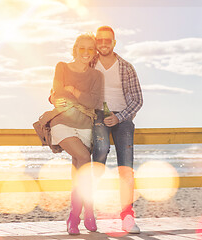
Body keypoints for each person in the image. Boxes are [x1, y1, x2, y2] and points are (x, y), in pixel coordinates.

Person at [49, 33, 104, 235]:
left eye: (90, 49)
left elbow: (93, 103)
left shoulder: (97, 76)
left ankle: (78, 215)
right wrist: (69, 95)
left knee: (79, 172)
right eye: (82, 48)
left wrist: (71, 89)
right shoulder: (61, 67)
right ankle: (82, 212)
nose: (86, 52)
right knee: (83, 157)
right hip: (62, 122)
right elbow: (57, 92)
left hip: (85, 126)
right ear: (75, 49)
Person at [91, 26, 143, 234]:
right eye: (100, 40)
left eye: (108, 40)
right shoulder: (90, 64)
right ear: (96, 42)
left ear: (114, 42)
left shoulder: (126, 67)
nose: (104, 44)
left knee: (126, 168)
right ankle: (90, 212)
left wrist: (119, 117)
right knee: (100, 155)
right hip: (97, 116)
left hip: (122, 117)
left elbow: (138, 99)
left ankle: (127, 217)